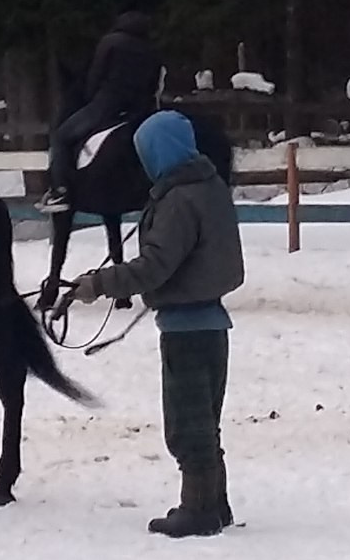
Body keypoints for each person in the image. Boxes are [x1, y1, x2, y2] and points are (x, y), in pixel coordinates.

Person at [69, 110, 246, 538]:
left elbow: (154, 266)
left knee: (187, 425)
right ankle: (215, 502)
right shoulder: (209, 187)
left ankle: (198, 509)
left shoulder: (179, 201)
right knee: (206, 419)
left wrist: (97, 284)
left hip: (187, 329)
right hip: (212, 325)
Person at [38, 11, 164, 214]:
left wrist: (90, 97)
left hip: (109, 104)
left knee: (62, 137)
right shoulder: (151, 49)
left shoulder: (110, 42)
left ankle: (60, 191)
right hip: (141, 109)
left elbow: (96, 75)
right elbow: (154, 82)